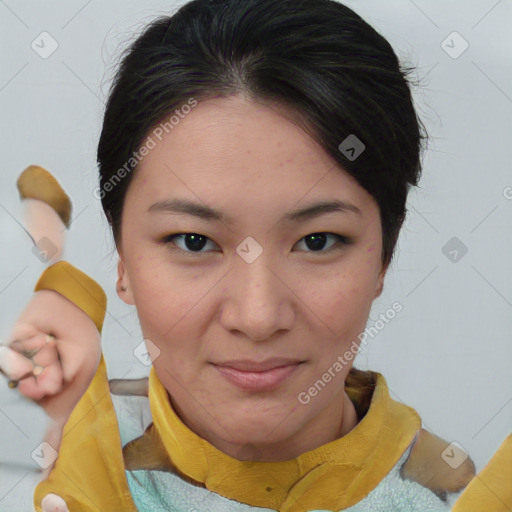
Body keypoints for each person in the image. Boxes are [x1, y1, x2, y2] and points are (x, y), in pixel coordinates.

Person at [1, 0, 510, 510]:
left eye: (318, 241)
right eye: (194, 241)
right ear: (122, 260)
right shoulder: (69, 468)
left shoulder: (450, 497)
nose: (258, 317)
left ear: (385, 255)